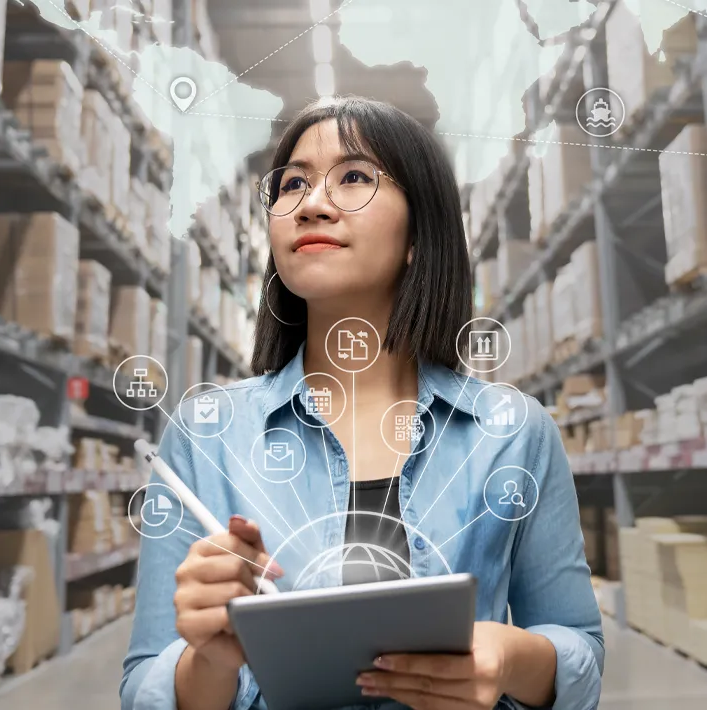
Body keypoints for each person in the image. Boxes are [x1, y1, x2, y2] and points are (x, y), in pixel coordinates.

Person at [120, 96, 604, 710]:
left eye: (354, 177)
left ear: (417, 235)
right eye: (292, 183)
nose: (312, 203)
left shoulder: (512, 432)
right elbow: (143, 687)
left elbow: (579, 651)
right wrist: (209, 657)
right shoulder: (204, 434)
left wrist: (509, 658)